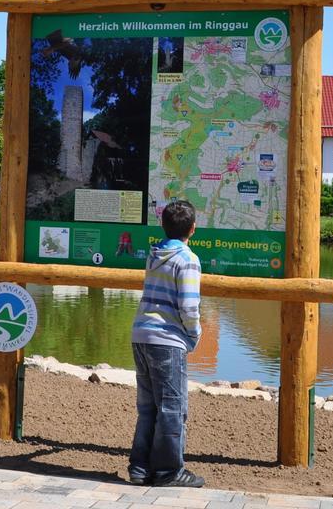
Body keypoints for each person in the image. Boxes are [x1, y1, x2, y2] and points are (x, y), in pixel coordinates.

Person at [128, 200, 204, 488]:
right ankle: (169, 471)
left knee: (148, 407)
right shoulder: (187, 259)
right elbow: (188, 305)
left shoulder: (154, 254)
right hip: (167, 339)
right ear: (192, 229)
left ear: (164, 226)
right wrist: (194, 334)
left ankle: (140, 468)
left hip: (141, 334)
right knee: (173, 407)